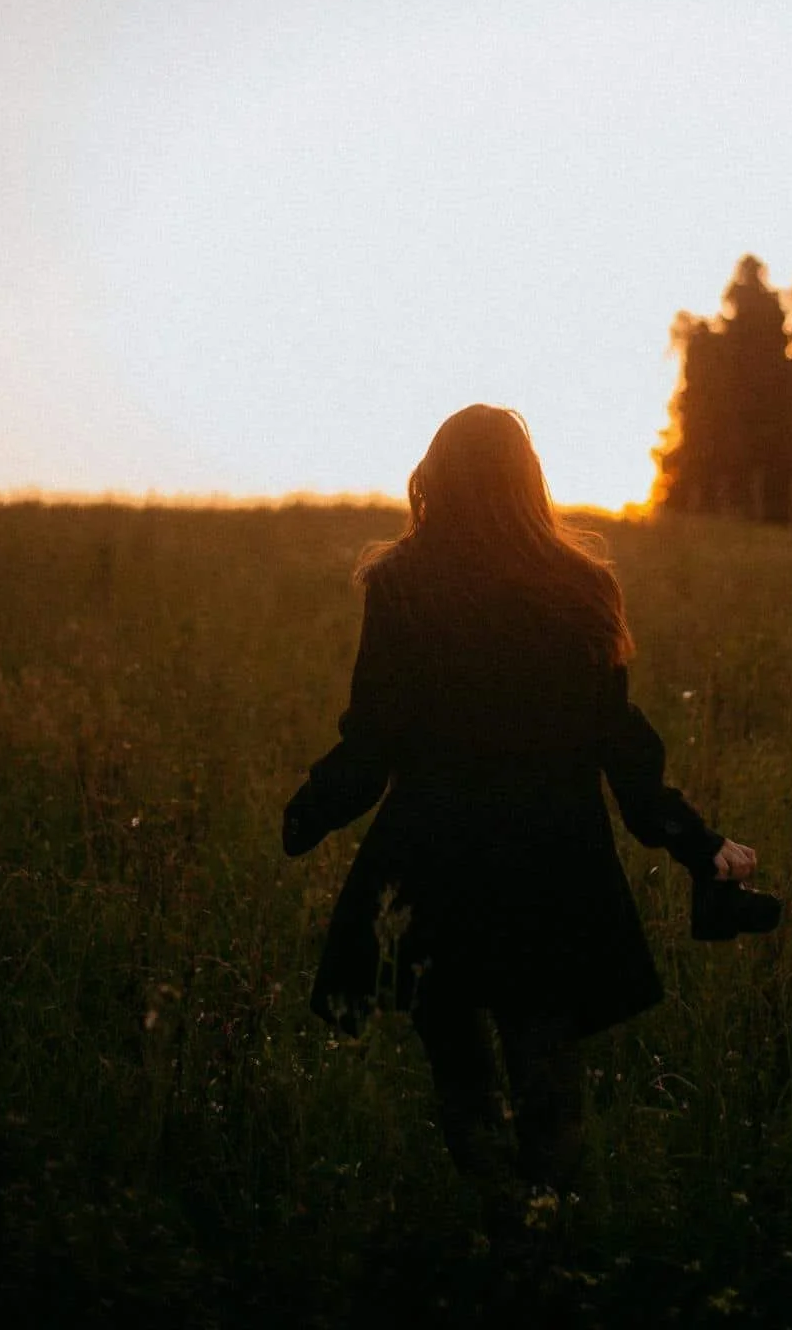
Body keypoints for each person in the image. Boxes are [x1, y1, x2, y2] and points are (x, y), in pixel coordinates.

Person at [281, 404, 756, 1222]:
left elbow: (374, 738)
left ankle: (492, 1223)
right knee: (548, 1067)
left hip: (435, 858)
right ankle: (548, 1236)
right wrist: (694, 841)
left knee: (457, 1065)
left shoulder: (401, 585)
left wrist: (310, 811)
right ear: (528, 484)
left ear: (433, 478)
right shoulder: (580, 587)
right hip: (554, 861)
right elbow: (622, 748)